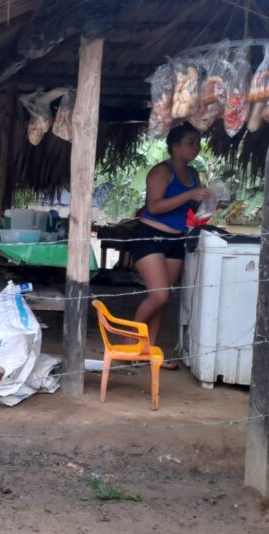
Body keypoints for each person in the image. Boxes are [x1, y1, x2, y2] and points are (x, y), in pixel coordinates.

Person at [130, 123, 210, 369]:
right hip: (150, 235)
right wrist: (188, 195)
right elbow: (153, 207)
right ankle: (130, 343)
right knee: (159, 295)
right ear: (175, 146)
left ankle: (150, 350)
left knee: (163, 300)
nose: (195, 148)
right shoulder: (161, 171)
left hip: (176, 239)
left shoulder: (194, 174)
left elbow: (192, 209)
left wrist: (211, 201)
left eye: (197, 143)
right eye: (190, 143)